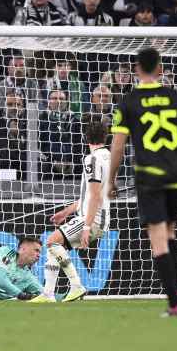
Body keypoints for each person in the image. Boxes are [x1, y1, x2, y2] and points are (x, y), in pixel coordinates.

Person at [108, 47, 177, 317]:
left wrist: (111, 180)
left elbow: (118, 146)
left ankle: (174, 303)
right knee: (171, 233)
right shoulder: (175, 96)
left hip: (149, 175)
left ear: (137, 68)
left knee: (158, 240)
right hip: (175, 174)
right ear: (159, 68)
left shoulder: (129, 101)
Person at [31, 121, 111, 303]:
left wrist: (86, 226)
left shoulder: (92, 159)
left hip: (93, 218)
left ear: (85, 138)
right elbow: (91, 195)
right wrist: (66, 212)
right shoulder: (109, 156)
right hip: (98, 217)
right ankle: (48, 294)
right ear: (105, 137)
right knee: (56, 248)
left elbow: (95, 196)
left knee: (51, 242)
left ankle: (76, 286)